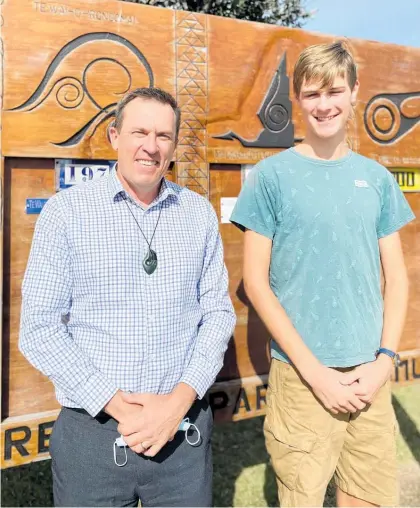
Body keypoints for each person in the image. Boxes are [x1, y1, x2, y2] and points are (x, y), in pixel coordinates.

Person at [19, 87, 236, 507]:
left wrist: (176, 404)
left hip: (182, 437)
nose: (151, 147)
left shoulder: (197, 214)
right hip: (94, 435)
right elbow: (39, 329)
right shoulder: (67, 213)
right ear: (115, 136)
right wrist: (120, 406)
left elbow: (217, 314)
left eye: (163, 136)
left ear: (173, 146)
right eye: (139, 132)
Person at [230, 41, 415, 507]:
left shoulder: (377, 179)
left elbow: (398, 278)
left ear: (354, 93)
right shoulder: (270, 177)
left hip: (369, 375)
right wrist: (315, 373)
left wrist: (384, 362)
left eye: (334, 91)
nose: (324, 105)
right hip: (301, 380)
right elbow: (256, 283)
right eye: (312, 94)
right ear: (296, 99)